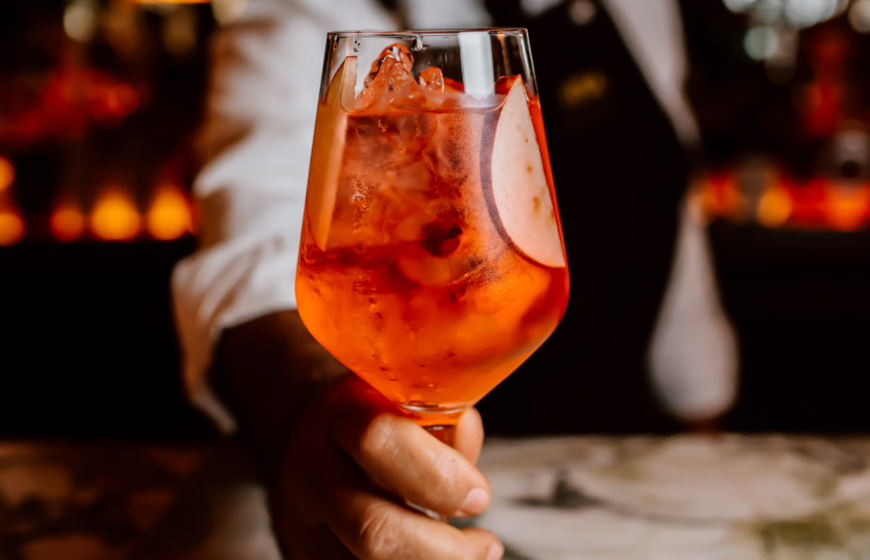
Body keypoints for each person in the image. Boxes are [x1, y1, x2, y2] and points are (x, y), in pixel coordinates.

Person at [172, 0, 738, 557]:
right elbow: (252, 263)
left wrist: (703, 419)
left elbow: (672, 222)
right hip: (406, 486)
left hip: (614, 487)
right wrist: (305, 411)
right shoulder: (310, 12)